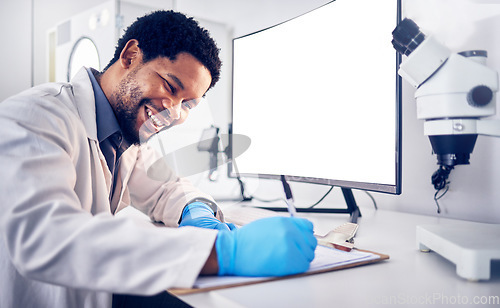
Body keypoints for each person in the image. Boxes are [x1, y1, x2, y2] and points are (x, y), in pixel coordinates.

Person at [0, 10, 317, 308]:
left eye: (188, 104)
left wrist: (197, 212)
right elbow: (46, 239)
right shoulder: (36, 116)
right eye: (170, 86)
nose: (175, 113)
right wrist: (222, 253)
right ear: (131, 55)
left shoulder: (123, 138)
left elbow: (167, 189)